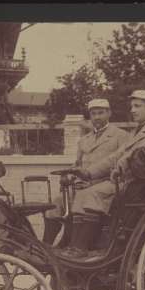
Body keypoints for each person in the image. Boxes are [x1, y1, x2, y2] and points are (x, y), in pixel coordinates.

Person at [59, 89, 145, 258]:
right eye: (132, 106)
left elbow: (143, 152)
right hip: (127, 180)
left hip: (141, 183)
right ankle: (76, 246)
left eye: (137, 106)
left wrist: (121, 165)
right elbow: (115, 156)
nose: (132, 110)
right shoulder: (137, 131)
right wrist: (88, 173)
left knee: (92, 194)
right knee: (82, 194)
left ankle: (80, 248)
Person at [41, 99, 128, 245]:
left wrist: (88, 178)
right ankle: (45, 247)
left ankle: (77, 245)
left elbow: (118, 161)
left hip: (107, 184)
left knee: (82, 197)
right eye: (93, 114)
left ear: (109, 113)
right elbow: (77, 164)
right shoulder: (84, 140)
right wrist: (69, 175)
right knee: (56, 202)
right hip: (83, 184)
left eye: (101, 113)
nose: (97, 117)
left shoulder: (121, 136)